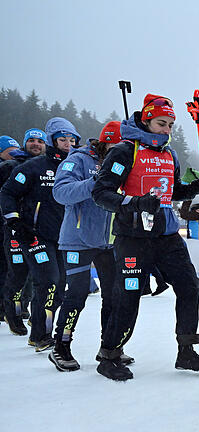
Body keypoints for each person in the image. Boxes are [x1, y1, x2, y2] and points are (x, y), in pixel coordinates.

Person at [91, 94, 199, 381]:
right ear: (146, 120)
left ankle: (186, 352)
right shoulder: (124, 151)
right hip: (133, 236)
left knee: (189, 286)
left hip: (167, 236)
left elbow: (172, 192)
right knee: (129, 295)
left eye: (171, 125)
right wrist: (133, 202)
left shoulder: (169, 155)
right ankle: (109, 354)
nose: (167, 130)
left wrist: (194, 187)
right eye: (161, 123)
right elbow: (101, 193)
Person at [48, 121, 124, 371]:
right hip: (77, 239)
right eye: (113, 146)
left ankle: (110, 346)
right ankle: (61, 346)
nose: (118, 152)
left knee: (114, 296)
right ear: (103, 143)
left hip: (109, 241)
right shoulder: (78, 159)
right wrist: (96, 183)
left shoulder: (123, 160)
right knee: (77, 294)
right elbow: (61, 192)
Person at [0, 118, 77, 351]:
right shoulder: (30, 167)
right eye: (62, 139)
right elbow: (7, 193)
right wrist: (14, 220)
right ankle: (38, 333)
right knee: (47, 280)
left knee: (60, 284)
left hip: (64, 237)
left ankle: (39, 319)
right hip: (34, 236)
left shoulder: (76, 166)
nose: (67, 144)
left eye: (72, 140)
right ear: (53, 140)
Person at [1, 129, 46, 335]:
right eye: (31, 141)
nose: (36, 144)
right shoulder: (11, 166)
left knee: (43, 276)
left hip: (43, 231)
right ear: (24, 143)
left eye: (40, 141)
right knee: (18, 273)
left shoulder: (50, 166)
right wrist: (11, 220)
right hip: (16, 230)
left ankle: (31, 311)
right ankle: (13, 313)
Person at [0, 136, 20, 325]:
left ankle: (12, 307)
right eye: (10, 151)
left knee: (12, 267)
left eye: (16, 149)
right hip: (5, 225)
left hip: (11, 226)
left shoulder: (17, 166)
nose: (14, 153)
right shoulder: (5, 168)